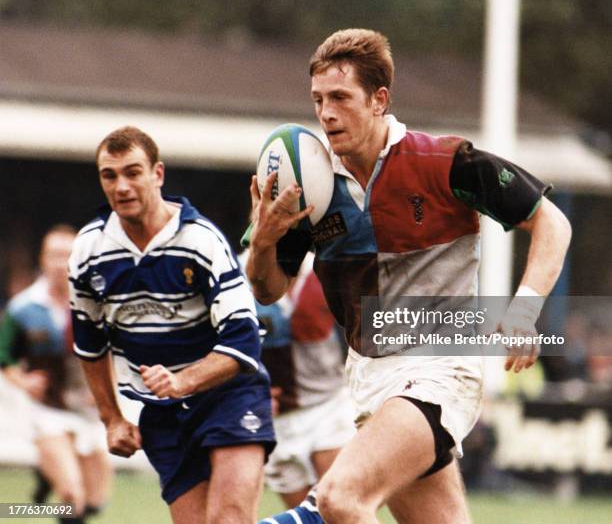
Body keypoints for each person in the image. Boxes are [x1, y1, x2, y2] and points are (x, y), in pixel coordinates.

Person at [246, 29, 572, 524]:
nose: (326, 113)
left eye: (340, 98)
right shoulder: (308, 182)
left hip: (440, 368)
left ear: (379, 100)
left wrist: (525, 309)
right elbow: (268, 288)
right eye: (317, 99)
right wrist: (265, 241)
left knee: (338, 499)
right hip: (368, 376)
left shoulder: (443, 162)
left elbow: (551, 220)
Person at [68, 127, 275, 524]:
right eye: (110, 175)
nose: (121, 186)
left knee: (228, 519)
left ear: (158, 174)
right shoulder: (88, 251)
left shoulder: (201, 241)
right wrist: (111, 418)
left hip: (229, 395)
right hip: (162, 412)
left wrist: (185, 380)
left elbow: (245, 340)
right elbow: (90, 343)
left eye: (133, 172)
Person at [0, 225, 112, 524]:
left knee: (96, 500)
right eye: (53, 255)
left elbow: (114, 352)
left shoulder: (95, 304)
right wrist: (23, 381)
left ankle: (43, 484)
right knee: (71, 495)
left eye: (67, 256)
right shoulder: (23, 309)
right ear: (42, 259)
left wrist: (104, 388)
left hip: (89, 409)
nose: (59, 263)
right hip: (47, 409)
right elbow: (3, 357)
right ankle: (54, 486)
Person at [246, 252, 355, 507]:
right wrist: (248, 388)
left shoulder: (326, 267)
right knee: (304, 515)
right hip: (275, 417)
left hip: (328, 404)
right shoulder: (237, 272)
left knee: (339, 505)